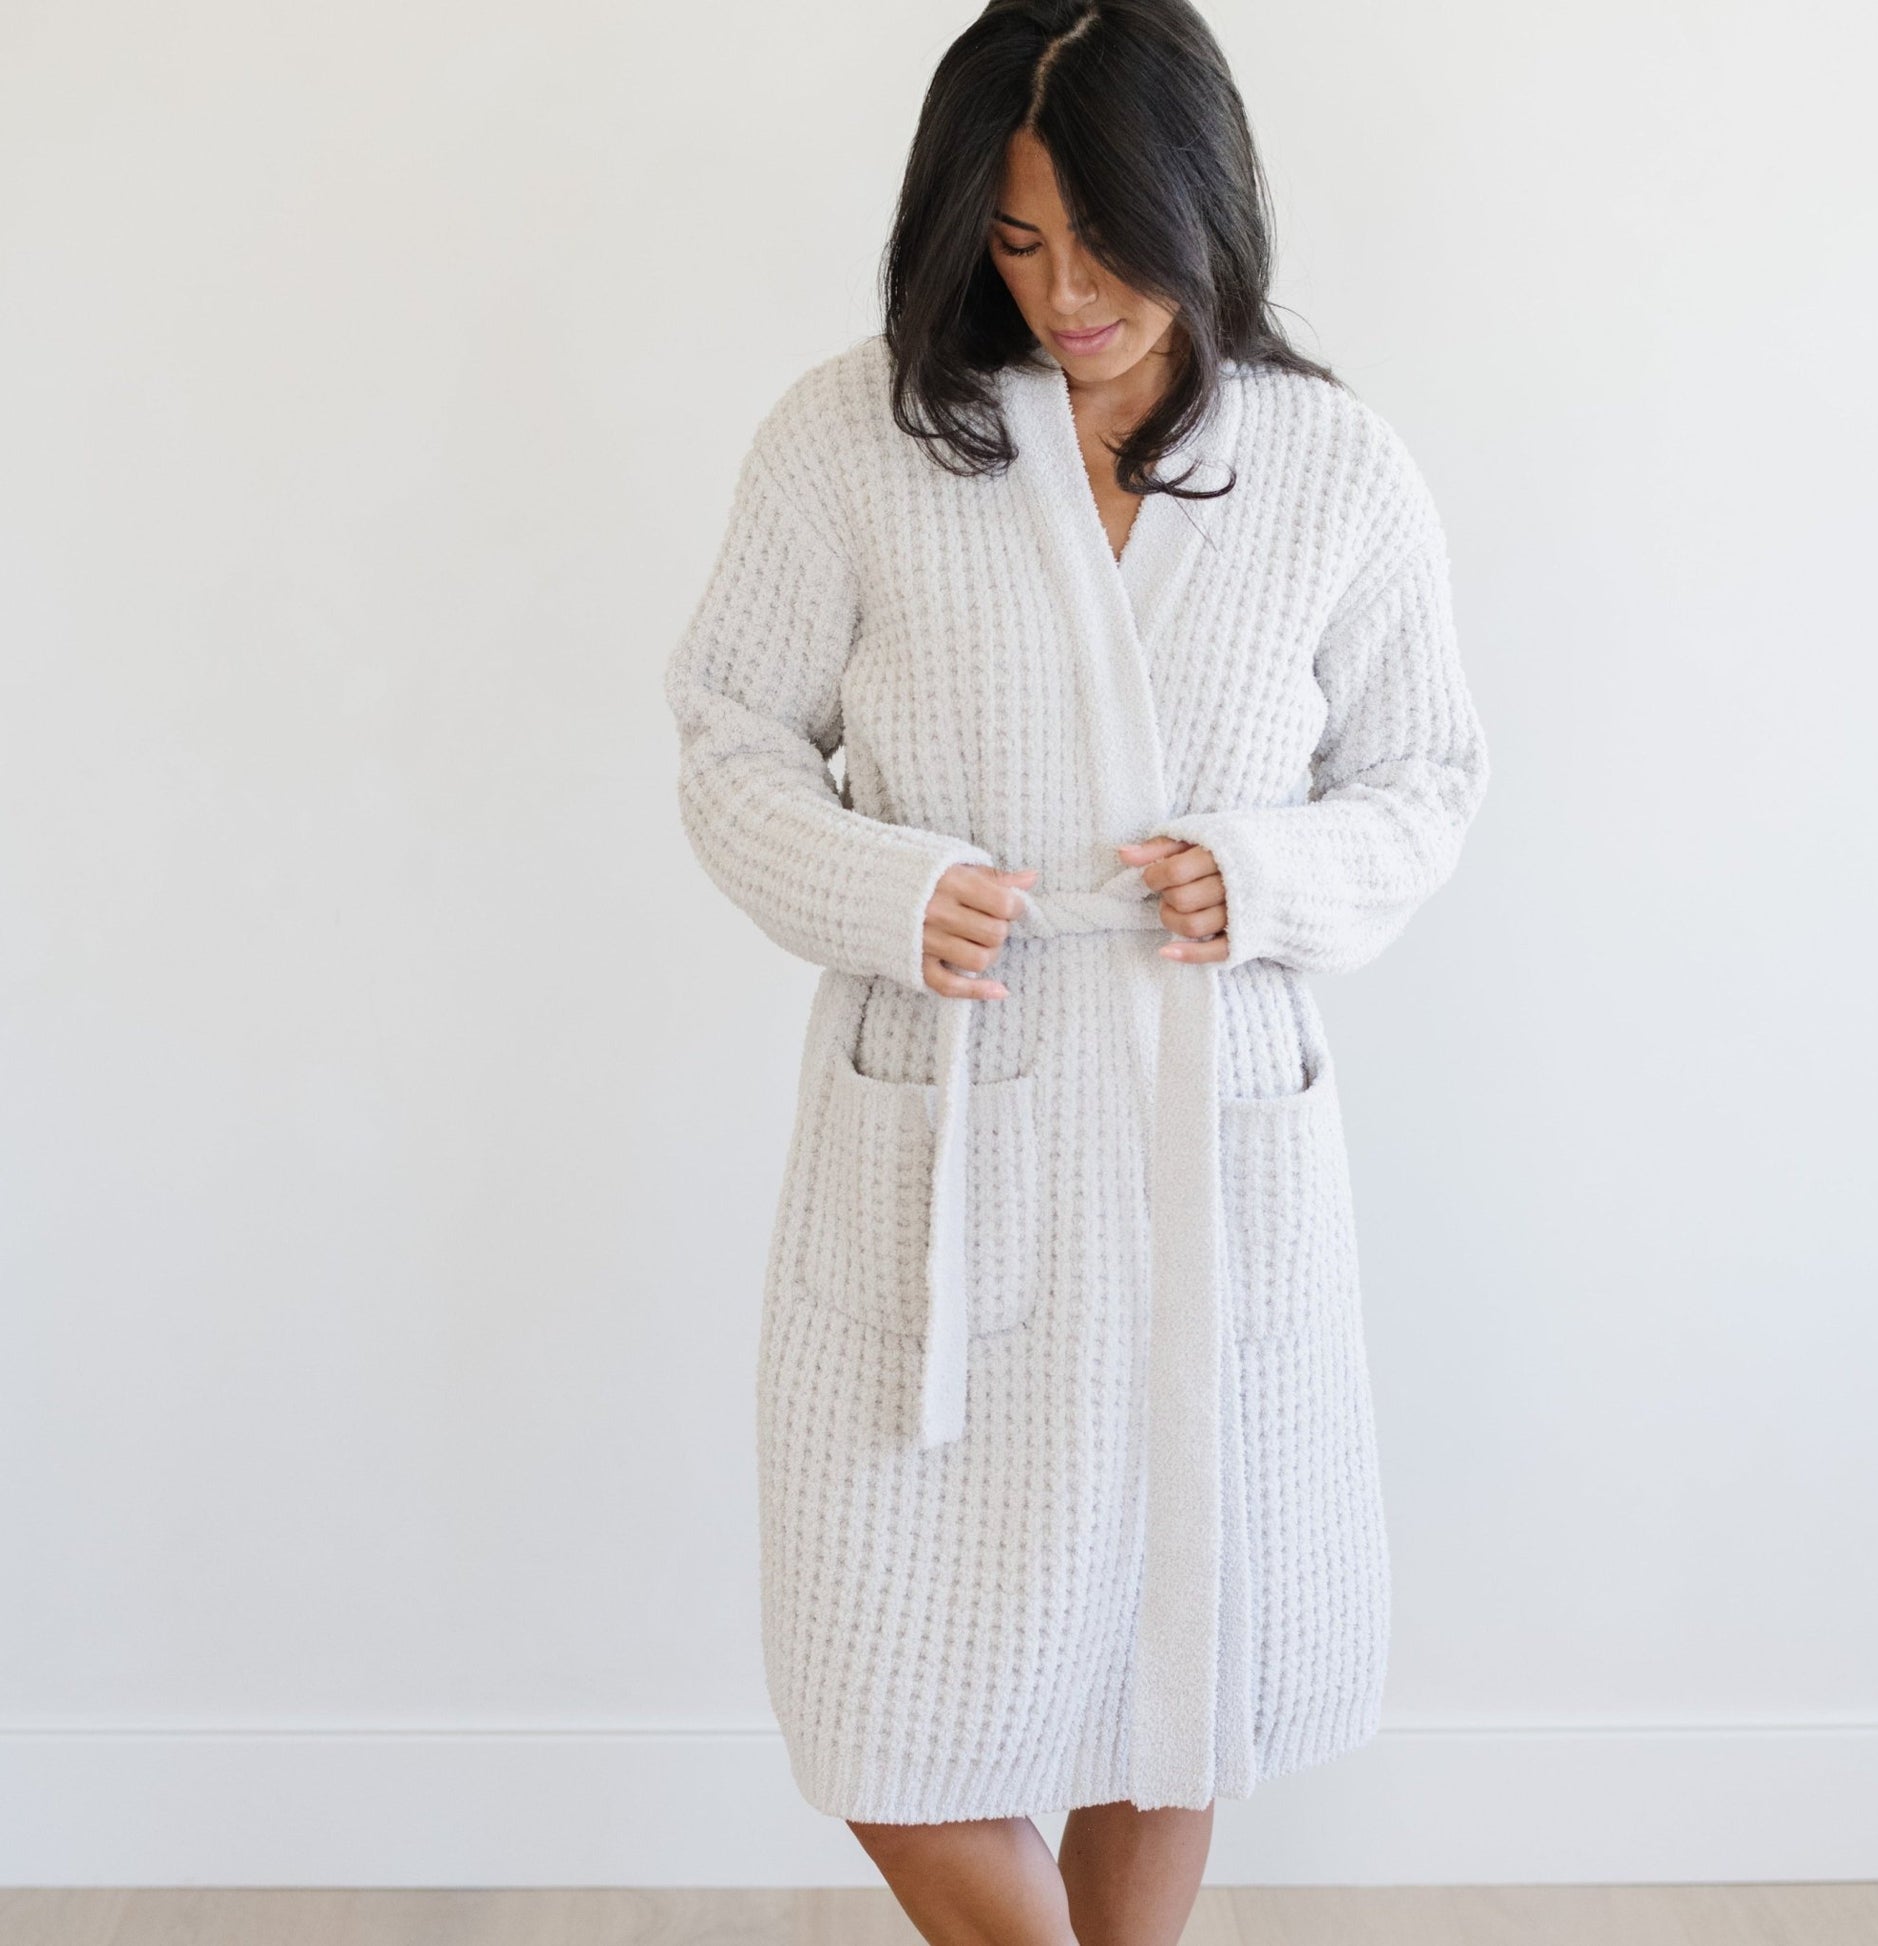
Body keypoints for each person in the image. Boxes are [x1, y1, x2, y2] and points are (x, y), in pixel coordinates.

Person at [663, 2, 1490, 1939]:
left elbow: (1429, 775)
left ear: (1202, 213)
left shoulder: (1331, 465)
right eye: (1013, 242)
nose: (1059, 294)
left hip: (1214, 1112)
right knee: (891, 1667)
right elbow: (729, 738)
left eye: (1102, 245)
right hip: (944, 1113)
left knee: (1170, 1637)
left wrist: (1264, 873)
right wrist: (883, 883)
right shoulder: (852, 438)